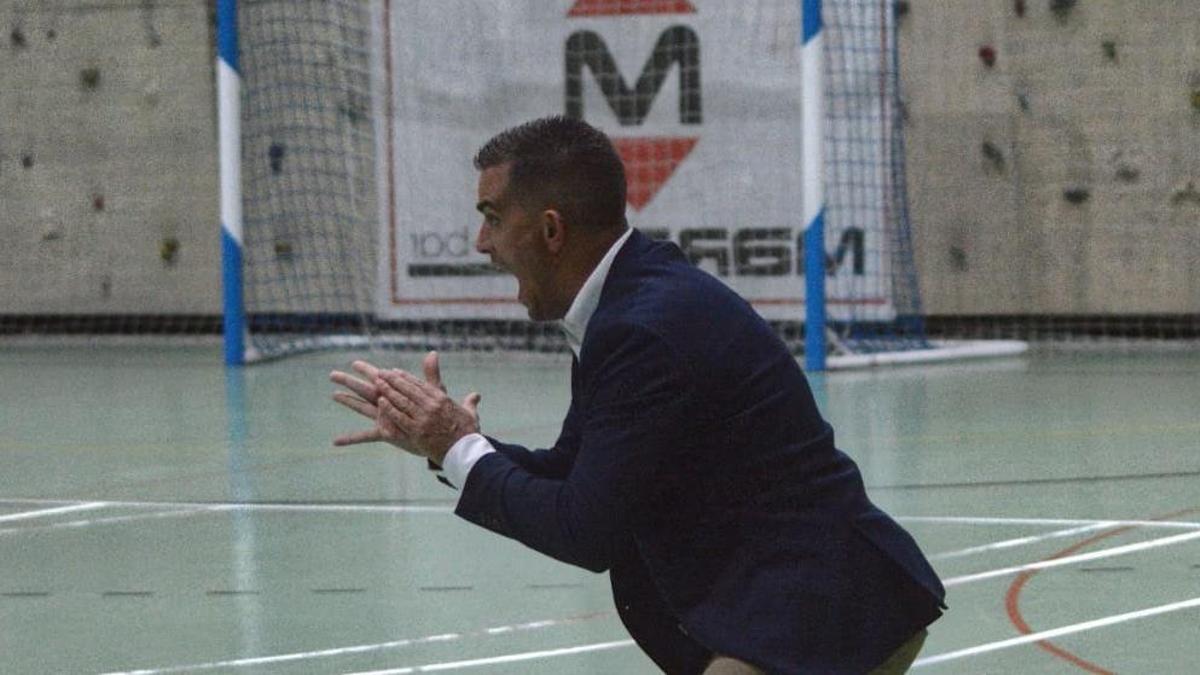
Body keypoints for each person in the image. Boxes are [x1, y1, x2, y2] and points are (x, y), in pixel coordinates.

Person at [330, 116, 946, 674]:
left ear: (551, 230)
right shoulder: (628, 301)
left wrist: (460, 446)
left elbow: (584, 531)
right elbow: (576, 473)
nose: (480, 243)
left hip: (815, 615)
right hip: (810, 607)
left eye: (492, 218)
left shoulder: (640, 328)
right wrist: (447, 444)